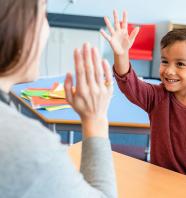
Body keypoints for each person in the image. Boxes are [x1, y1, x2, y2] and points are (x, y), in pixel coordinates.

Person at [0, 0, 117, 197]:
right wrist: (95, 119)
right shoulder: (30, 146)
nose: (47, 29)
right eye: (43, 15)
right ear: (16, 26)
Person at [101, 10, 186, 183]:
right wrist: (121, 54)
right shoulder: (157, 97)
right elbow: (130, 84)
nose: (169, 70)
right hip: (156, 180)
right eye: (165, 61)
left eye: (180, 64)